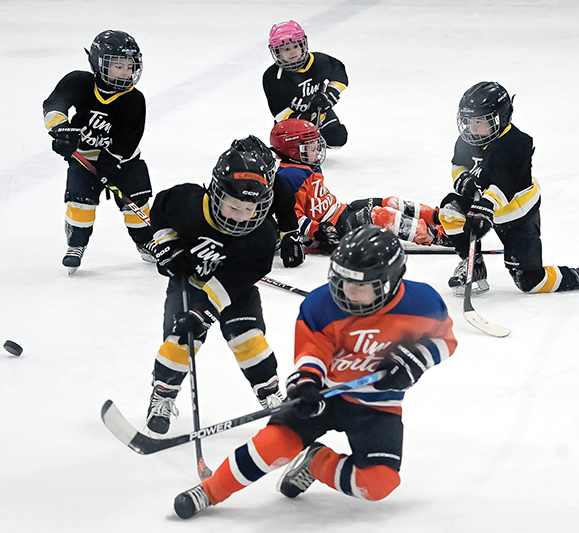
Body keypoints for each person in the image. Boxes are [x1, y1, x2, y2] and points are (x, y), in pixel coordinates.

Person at [172, 225, 457, 519]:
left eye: (361, 286)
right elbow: (312, 353)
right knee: (271, 445)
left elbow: (446, 340)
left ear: (391, 282)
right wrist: (306, 383)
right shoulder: (321, 305)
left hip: (376, 406)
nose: (348, 292)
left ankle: (315, 462)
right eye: (343, 281)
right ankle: (209, 490)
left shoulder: (421, 303)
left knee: (379, 483)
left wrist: (415, 361)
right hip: (324, 395)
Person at [144, 136, 299, 437]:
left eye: (249, 209)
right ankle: (162, 394)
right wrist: (167, 244)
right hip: (188, 282)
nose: (241, 216)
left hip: (232, 289)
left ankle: (270, 395)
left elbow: (234, 281)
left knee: (249, 338)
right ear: (217, 193)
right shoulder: (187, 202)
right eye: (233, 206)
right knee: (181, 339)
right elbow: (159, 211)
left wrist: (204, 310)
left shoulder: (263, 237)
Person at [438, 81, 579, 296]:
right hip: (486, 204)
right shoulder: (466, 140)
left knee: (530, 282)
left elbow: (506, 184)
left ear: (501, 118)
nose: (472, 129)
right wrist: (463, 180)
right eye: (468, 121)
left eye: (480, 121)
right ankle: (472, 262)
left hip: (517, 214)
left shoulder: (517, 144)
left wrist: (485, 207)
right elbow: (458, 164)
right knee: (450, 209)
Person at [42, 30, 156, 275]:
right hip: (84, 161)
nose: (126, 72)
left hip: (124, 161)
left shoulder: (134, 99)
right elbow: (54, 106)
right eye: (117, 65)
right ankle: (76, 245)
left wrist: (110, 161)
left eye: (130, 65)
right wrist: (62, 131)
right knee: (80, 203)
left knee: (137, 203)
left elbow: (129, 138)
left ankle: (146, 241)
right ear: (98, 63)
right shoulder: (79, 82)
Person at [270, 118, 450, 253]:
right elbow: (291, 216)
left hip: (339, 212)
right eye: (310, 146)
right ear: (294, 151)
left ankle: (441, 218)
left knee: (390, 202)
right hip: (332, 228)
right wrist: (318, 232)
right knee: (382, 216)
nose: (317, 149)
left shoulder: (305, 165)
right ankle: (439, 236)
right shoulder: (290, 175)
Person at [263, 20, 349, 149]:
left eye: (296, 46)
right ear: (277, 52)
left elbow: (339, 73)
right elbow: (278, 110)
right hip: (292, 120)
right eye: (286, 49)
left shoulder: (319, 61)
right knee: (292, 151)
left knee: (337, 138)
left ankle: (317, 139)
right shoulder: (272, 76)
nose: (292, 52)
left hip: (321, 114)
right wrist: (304, 119)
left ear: (303, 45)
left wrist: (330, 95)